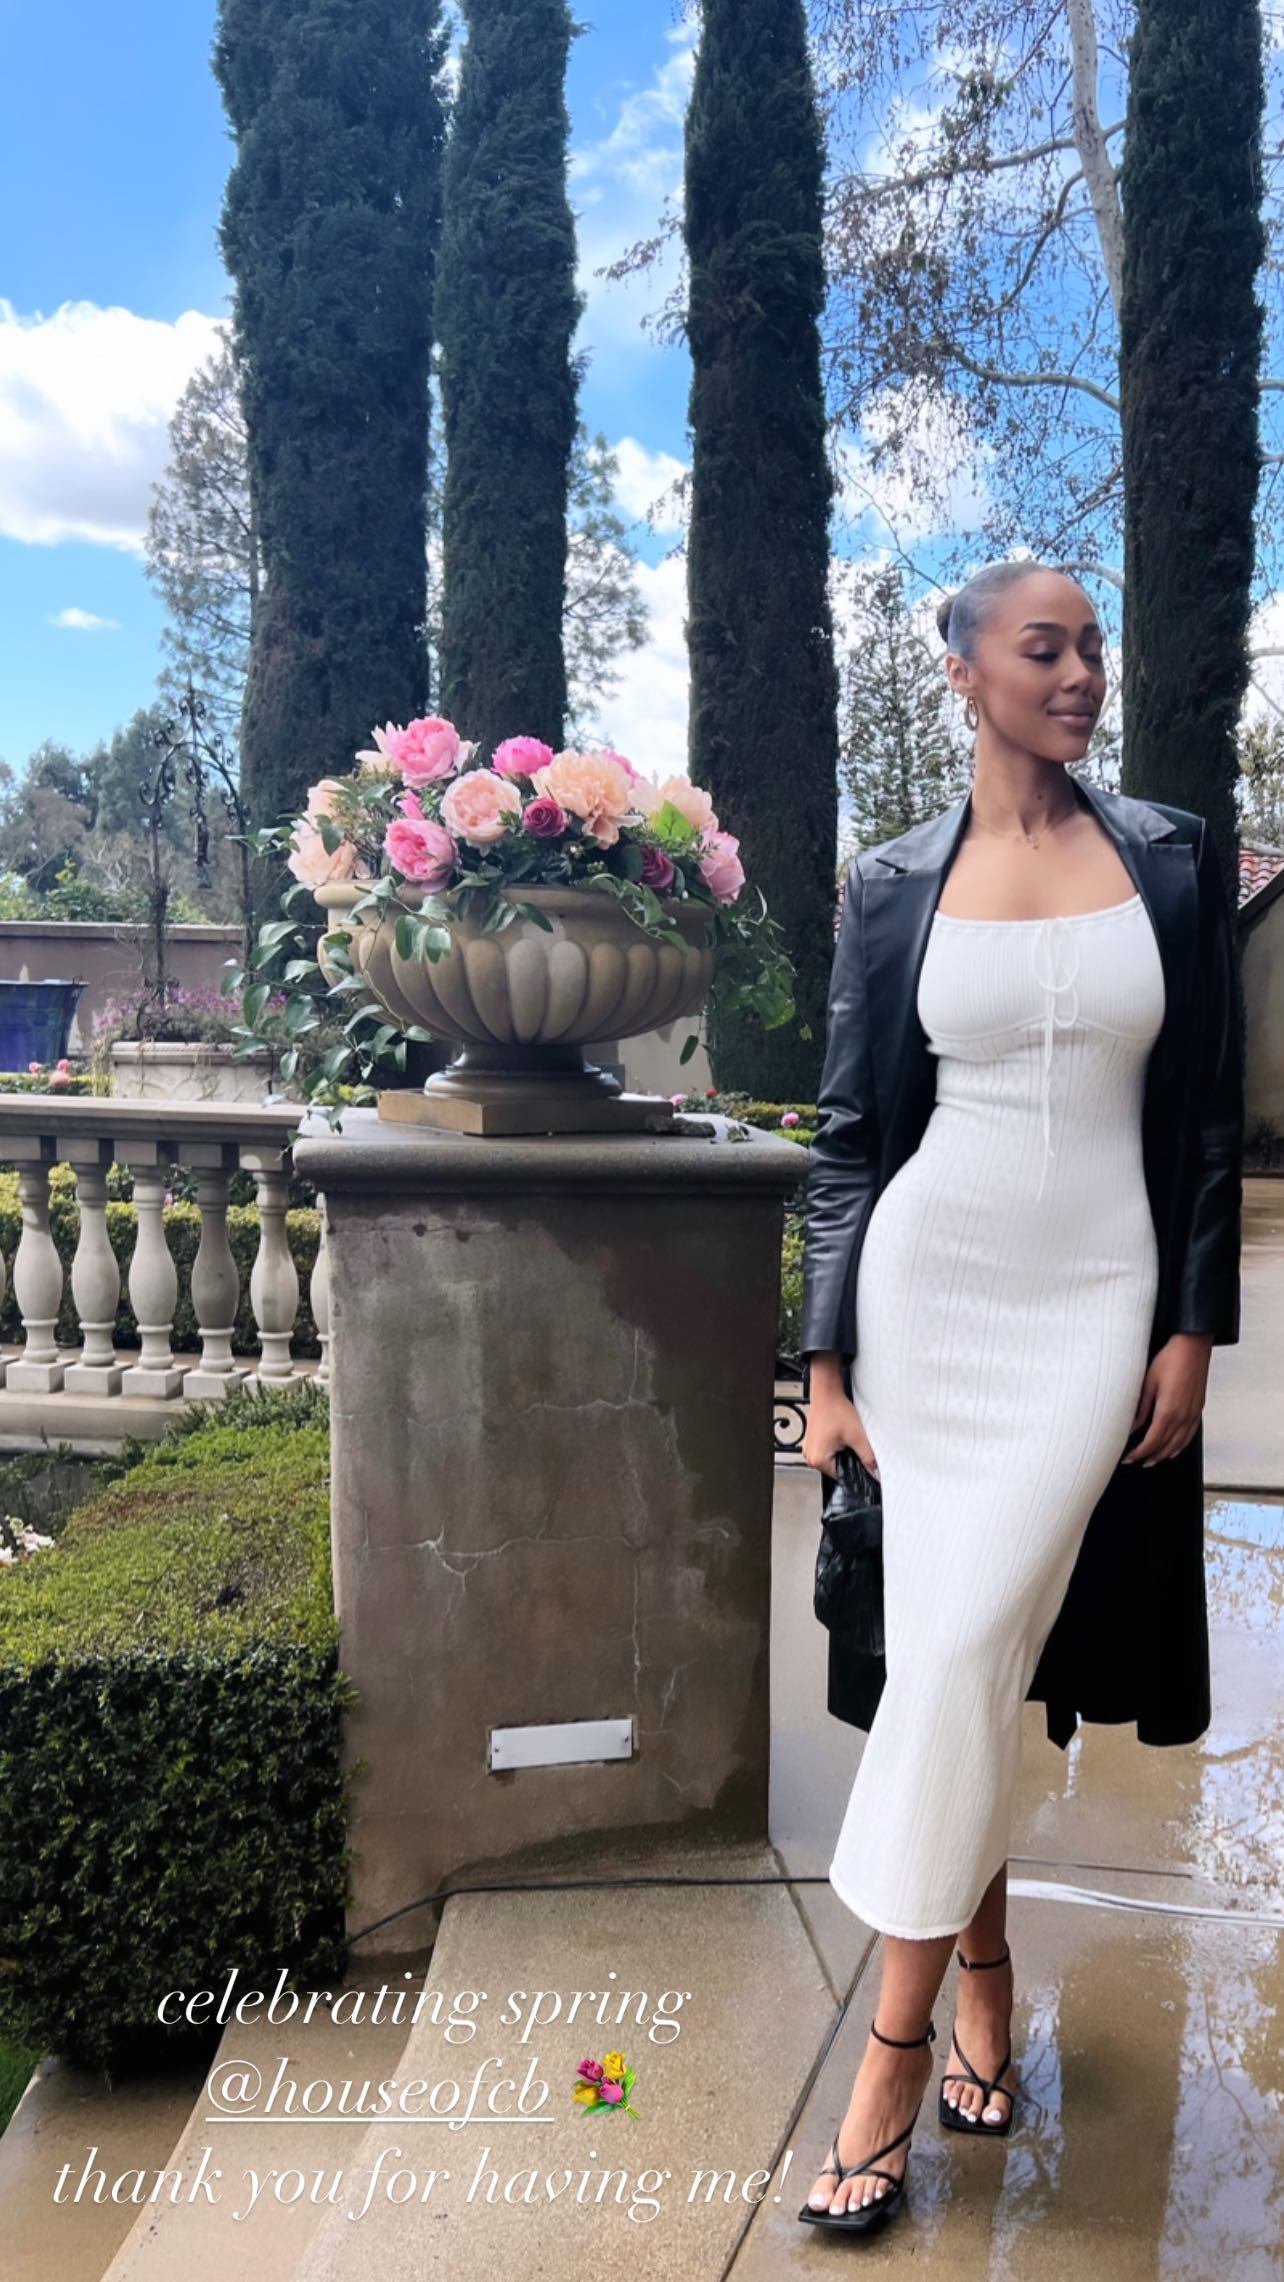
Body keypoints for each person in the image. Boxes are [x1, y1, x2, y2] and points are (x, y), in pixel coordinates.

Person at [795, 560, 1244, 2236]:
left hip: (1090, 1302)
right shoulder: (892, 882)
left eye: (1092, 646)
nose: (1082, 673)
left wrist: (1193, 1327)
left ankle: (889, 2052)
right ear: (965, 672)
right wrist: (824, 1366)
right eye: (1044, 648)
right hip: (932, 1294)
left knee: (970, 1640)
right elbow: (849, 1138)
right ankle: (962, 1984)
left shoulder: (1173, 856)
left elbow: (1208, 1115)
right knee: (953, 1653)